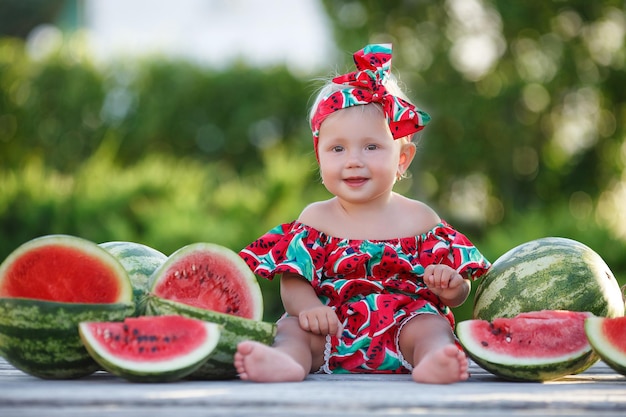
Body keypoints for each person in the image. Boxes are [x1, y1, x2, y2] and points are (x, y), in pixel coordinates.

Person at [235, 43, 491, 384]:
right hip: (330, 326)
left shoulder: (422, 221)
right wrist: (309, 308)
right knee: (293, 329)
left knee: (430, 327)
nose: (353, 160)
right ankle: (286, 361)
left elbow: (459, 293)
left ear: (402, 158)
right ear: (320, 158)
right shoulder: (314, 219)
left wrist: (451, 286)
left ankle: (434, 360)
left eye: (371, 147)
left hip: (404, 324)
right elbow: (293, 279)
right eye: (337, 149)